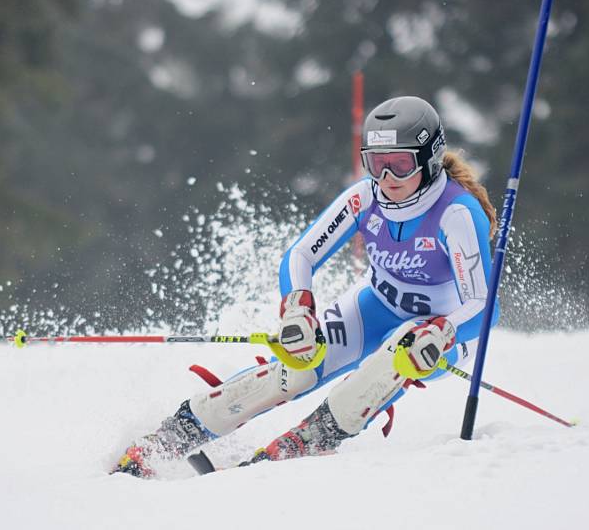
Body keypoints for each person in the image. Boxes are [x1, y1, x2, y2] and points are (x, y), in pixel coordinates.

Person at [114, 96, 499, 478]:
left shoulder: (457, 214)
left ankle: (306, 441)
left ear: (429, 158)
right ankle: (171, 437)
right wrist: (298, 308)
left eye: (400, 165)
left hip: (442, 335)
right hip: (376, 307)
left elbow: (484, 305)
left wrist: (444, 331)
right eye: (376, 165)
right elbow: (301, 255)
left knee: (399, 352)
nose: (387, 180)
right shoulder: (365, 198)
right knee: (299, 363)